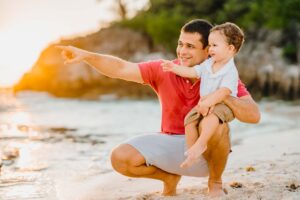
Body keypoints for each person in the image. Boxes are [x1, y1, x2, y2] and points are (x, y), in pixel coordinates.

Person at [57, 19, 260, 197]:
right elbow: (120, 68)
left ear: (209, 50)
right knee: (120, 158)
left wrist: (223, 96)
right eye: (180, 44)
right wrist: (86, 56)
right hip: (170, 144)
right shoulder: (164, 69)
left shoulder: (221, 75)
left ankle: (215, 183)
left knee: (218, 125)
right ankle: (169, 179)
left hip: (206, 153)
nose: (182, 51)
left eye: (190, 46)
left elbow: (253, 114)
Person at [161, 22, 244, 169]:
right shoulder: (208, 64)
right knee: (189, 120)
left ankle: (201, 144)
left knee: (211, 118)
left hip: (222, 105)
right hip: (205, 103)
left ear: (230, 48)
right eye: (209, 45)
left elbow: (224, 91)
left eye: (214, 45)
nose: (210, 49)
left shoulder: (230, 70)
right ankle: (193, 151)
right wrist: (174, 68)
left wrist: (207, 103)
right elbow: (193, 72)